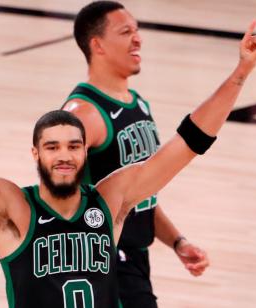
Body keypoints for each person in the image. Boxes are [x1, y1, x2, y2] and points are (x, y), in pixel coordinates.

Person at [0, 23, 256, 307]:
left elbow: (187, 145)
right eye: (52, 147)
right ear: (36, 155)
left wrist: (241, 73)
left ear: (85, 154)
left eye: (73, 146)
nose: (64, 155)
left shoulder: (111, 199)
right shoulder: (15, 210)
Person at [62, 2, 209, 306]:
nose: (138, 39)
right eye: (126, 31)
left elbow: (140, 196)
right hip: (106, 264)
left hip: (137, 258)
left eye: (137, 30)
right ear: (97, 45)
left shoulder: (138, 104)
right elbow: (55, 196)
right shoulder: (84, 114)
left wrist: (177, 241)